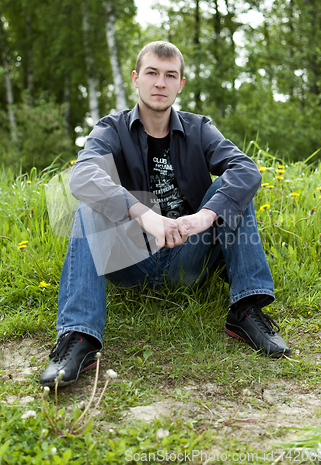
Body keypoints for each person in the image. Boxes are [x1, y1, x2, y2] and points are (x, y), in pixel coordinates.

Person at [40, 41, 291, 387]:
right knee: (90, 204)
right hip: (130, 261)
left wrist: (204, 216)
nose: (160, 83)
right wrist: (142, 213)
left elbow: (246, 170)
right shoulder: (111, 129)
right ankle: (78, 337)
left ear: (181, 83)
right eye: (152, 73)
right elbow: (82, 175)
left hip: (187, 256)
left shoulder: (199, 128)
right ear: (136, 79)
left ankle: (245, 310)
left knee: (233, 189)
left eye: (170, 75)